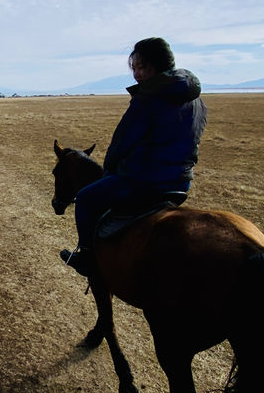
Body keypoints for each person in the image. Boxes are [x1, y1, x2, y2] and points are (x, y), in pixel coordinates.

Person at [61, 37, 207, 276]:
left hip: (143, 182)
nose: (136, 74)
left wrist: (109, 171)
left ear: (158, 66)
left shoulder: (147, 99)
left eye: (141, 67)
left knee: (86, 198)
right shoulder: (196, 100)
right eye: (134, 68)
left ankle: (86, 257)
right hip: (181, 183)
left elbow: (121, 143)